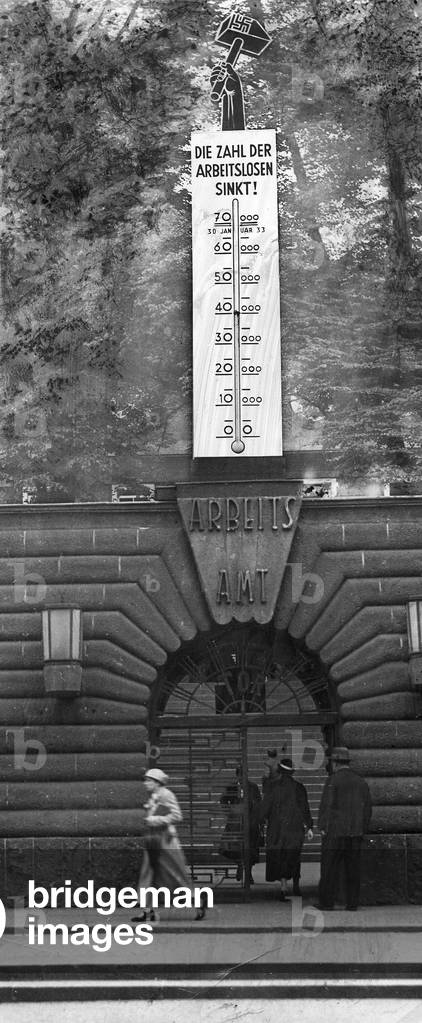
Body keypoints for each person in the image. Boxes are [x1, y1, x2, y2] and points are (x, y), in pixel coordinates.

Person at [132, 767, 206, 922]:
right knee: (149, 874)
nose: (146, 783)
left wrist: (155, 820)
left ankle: (197, 900)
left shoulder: (166, 795)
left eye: (149, 780)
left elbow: (177, 816)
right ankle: (147, 910)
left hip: (166, 841)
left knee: (174, 873)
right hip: (155, 839)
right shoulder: (154, 796)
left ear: (157, 782)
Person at [317, 746, 372, 911]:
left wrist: (322, 826)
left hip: (334, 833)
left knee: (329, 869)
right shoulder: (361, 782)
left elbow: (327, 806)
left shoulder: (332, 780)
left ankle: (327, 903)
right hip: (355, 833)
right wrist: (362, 828)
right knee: (353, 869)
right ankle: (352, 903)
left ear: (334, 763)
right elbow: (367, 809)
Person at [260, 756, 313, 900]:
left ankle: (283, 887)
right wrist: (309, 826)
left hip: (277, 829)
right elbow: (305, 808)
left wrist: (260, 820)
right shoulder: (299, 787)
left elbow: (265, 808)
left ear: (280, 771)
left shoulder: (273, 787)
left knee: (280, 856)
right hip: (295, 828)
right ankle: (296, 884)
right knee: (294, 856)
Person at [220, 766, 262, 884]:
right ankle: (240, 866)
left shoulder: (253, 787)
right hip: (236, 822)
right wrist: (229, 812)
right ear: (237, 775)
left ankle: (248, 873)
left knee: (251, 848)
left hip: (250, 822)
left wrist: (255, 816)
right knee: (236, 848)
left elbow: (259, 802)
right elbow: (223, 800)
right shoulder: (232, 787)